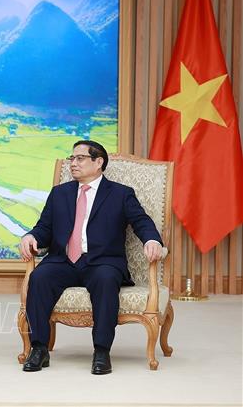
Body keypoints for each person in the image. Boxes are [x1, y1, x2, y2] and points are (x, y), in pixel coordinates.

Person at [20, 140, 163, 375]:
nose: (73, 164)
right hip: (64, 261)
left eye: (80, 158)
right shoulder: (60, 193)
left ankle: (101, 351)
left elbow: (141, 221)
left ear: (98, 163)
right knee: (40, 277)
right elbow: (43, 228)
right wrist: (30, 236)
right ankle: (39, 348)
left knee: (106, 279)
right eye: (71, 158)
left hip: (103, 261)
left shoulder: (120, 194)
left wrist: (152, 239)